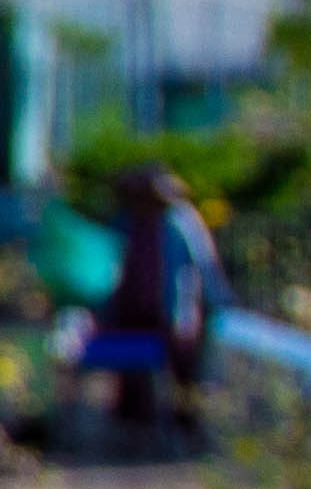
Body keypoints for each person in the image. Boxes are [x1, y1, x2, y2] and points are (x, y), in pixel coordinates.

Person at [81, 164, 227, 454]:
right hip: (131, 310)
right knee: (132, 374)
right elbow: (108, 265)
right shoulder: (124, 222)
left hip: (173, 312)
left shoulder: (180, 221)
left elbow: (204, 266)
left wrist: (220, 303)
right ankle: (135, 432)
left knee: (183, 373)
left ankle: (188, 432)